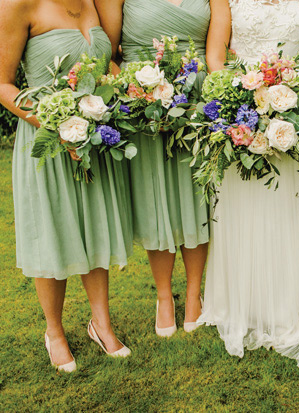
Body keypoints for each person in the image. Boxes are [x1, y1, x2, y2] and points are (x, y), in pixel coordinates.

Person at [197, 0, 299, 377]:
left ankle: (288, 304)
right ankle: (243, 304)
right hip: (244, 116)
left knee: (289, 207)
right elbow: (215, 57)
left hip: (294, 117)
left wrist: (288, 100)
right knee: (245, 205)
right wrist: (242, 104)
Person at [0, 0, 133, 372]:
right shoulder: (16, 5)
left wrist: (126, 92)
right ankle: (54, 332)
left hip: (90, 139)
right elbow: (2, 84)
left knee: (94, 227)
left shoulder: (92, 2)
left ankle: (101, 324)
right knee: (51, 230)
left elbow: (105, 63)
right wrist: (56, 125)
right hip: (47, 141)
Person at [96, 0, 211, 336]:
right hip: (140, 102)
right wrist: (141, 92)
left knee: (196, 194)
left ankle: (193, 295)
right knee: (153, 193)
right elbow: (109, 55)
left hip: (196, 102)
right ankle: (163, 296)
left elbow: (217, 49)